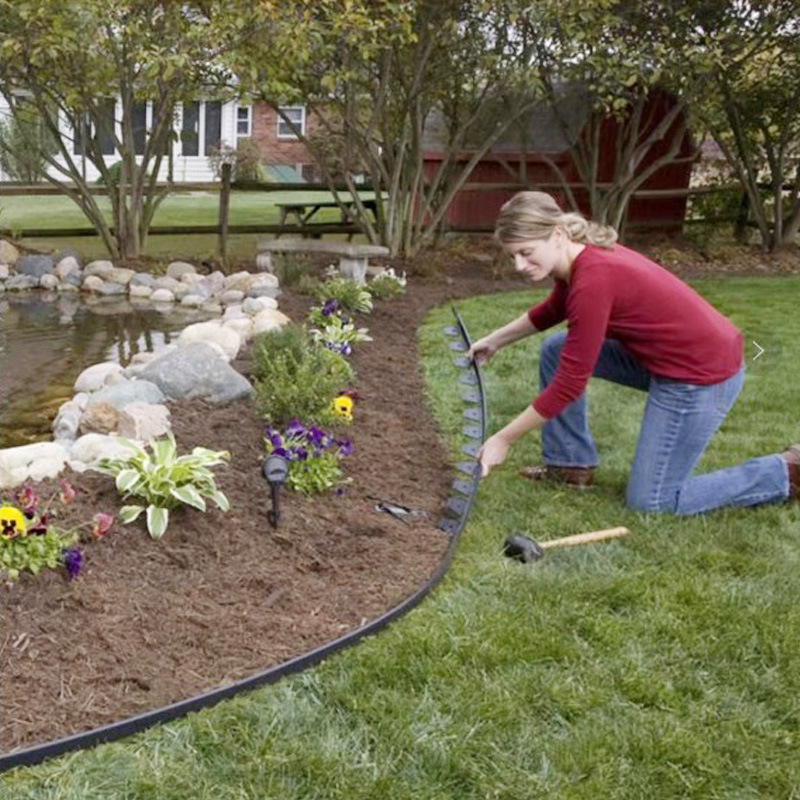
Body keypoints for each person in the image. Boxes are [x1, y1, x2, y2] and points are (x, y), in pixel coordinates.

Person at [468, 191, 799, 515]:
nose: (519, 265)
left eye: (526, 252)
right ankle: (569, 465)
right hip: (671, 360)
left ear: (556, 234)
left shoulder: (593, 278)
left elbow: (569, 385)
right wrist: (496, 340)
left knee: (653, 501)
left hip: (700, 376)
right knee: (557, 349)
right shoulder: (577, 259)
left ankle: (785, 471)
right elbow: (554, 309)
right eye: (513, 256)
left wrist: (504, 438)